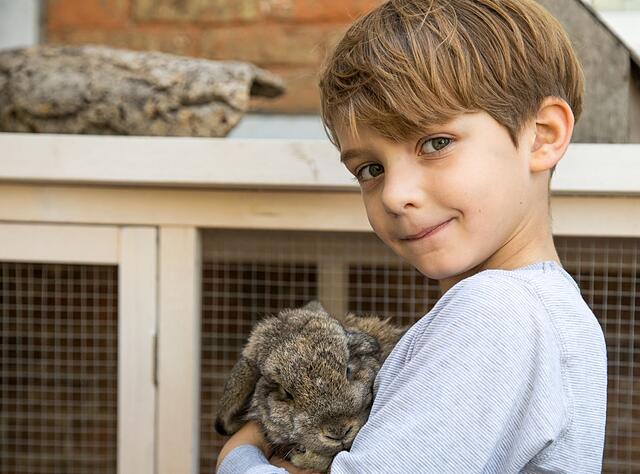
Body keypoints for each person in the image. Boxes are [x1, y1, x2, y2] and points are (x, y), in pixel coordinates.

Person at [217, 0, 607, 472]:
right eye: (371, 169)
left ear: (542, 136)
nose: (395, 195)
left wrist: (238, 457)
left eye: (435, 144)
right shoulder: (539, 308)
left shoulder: (498, 311)